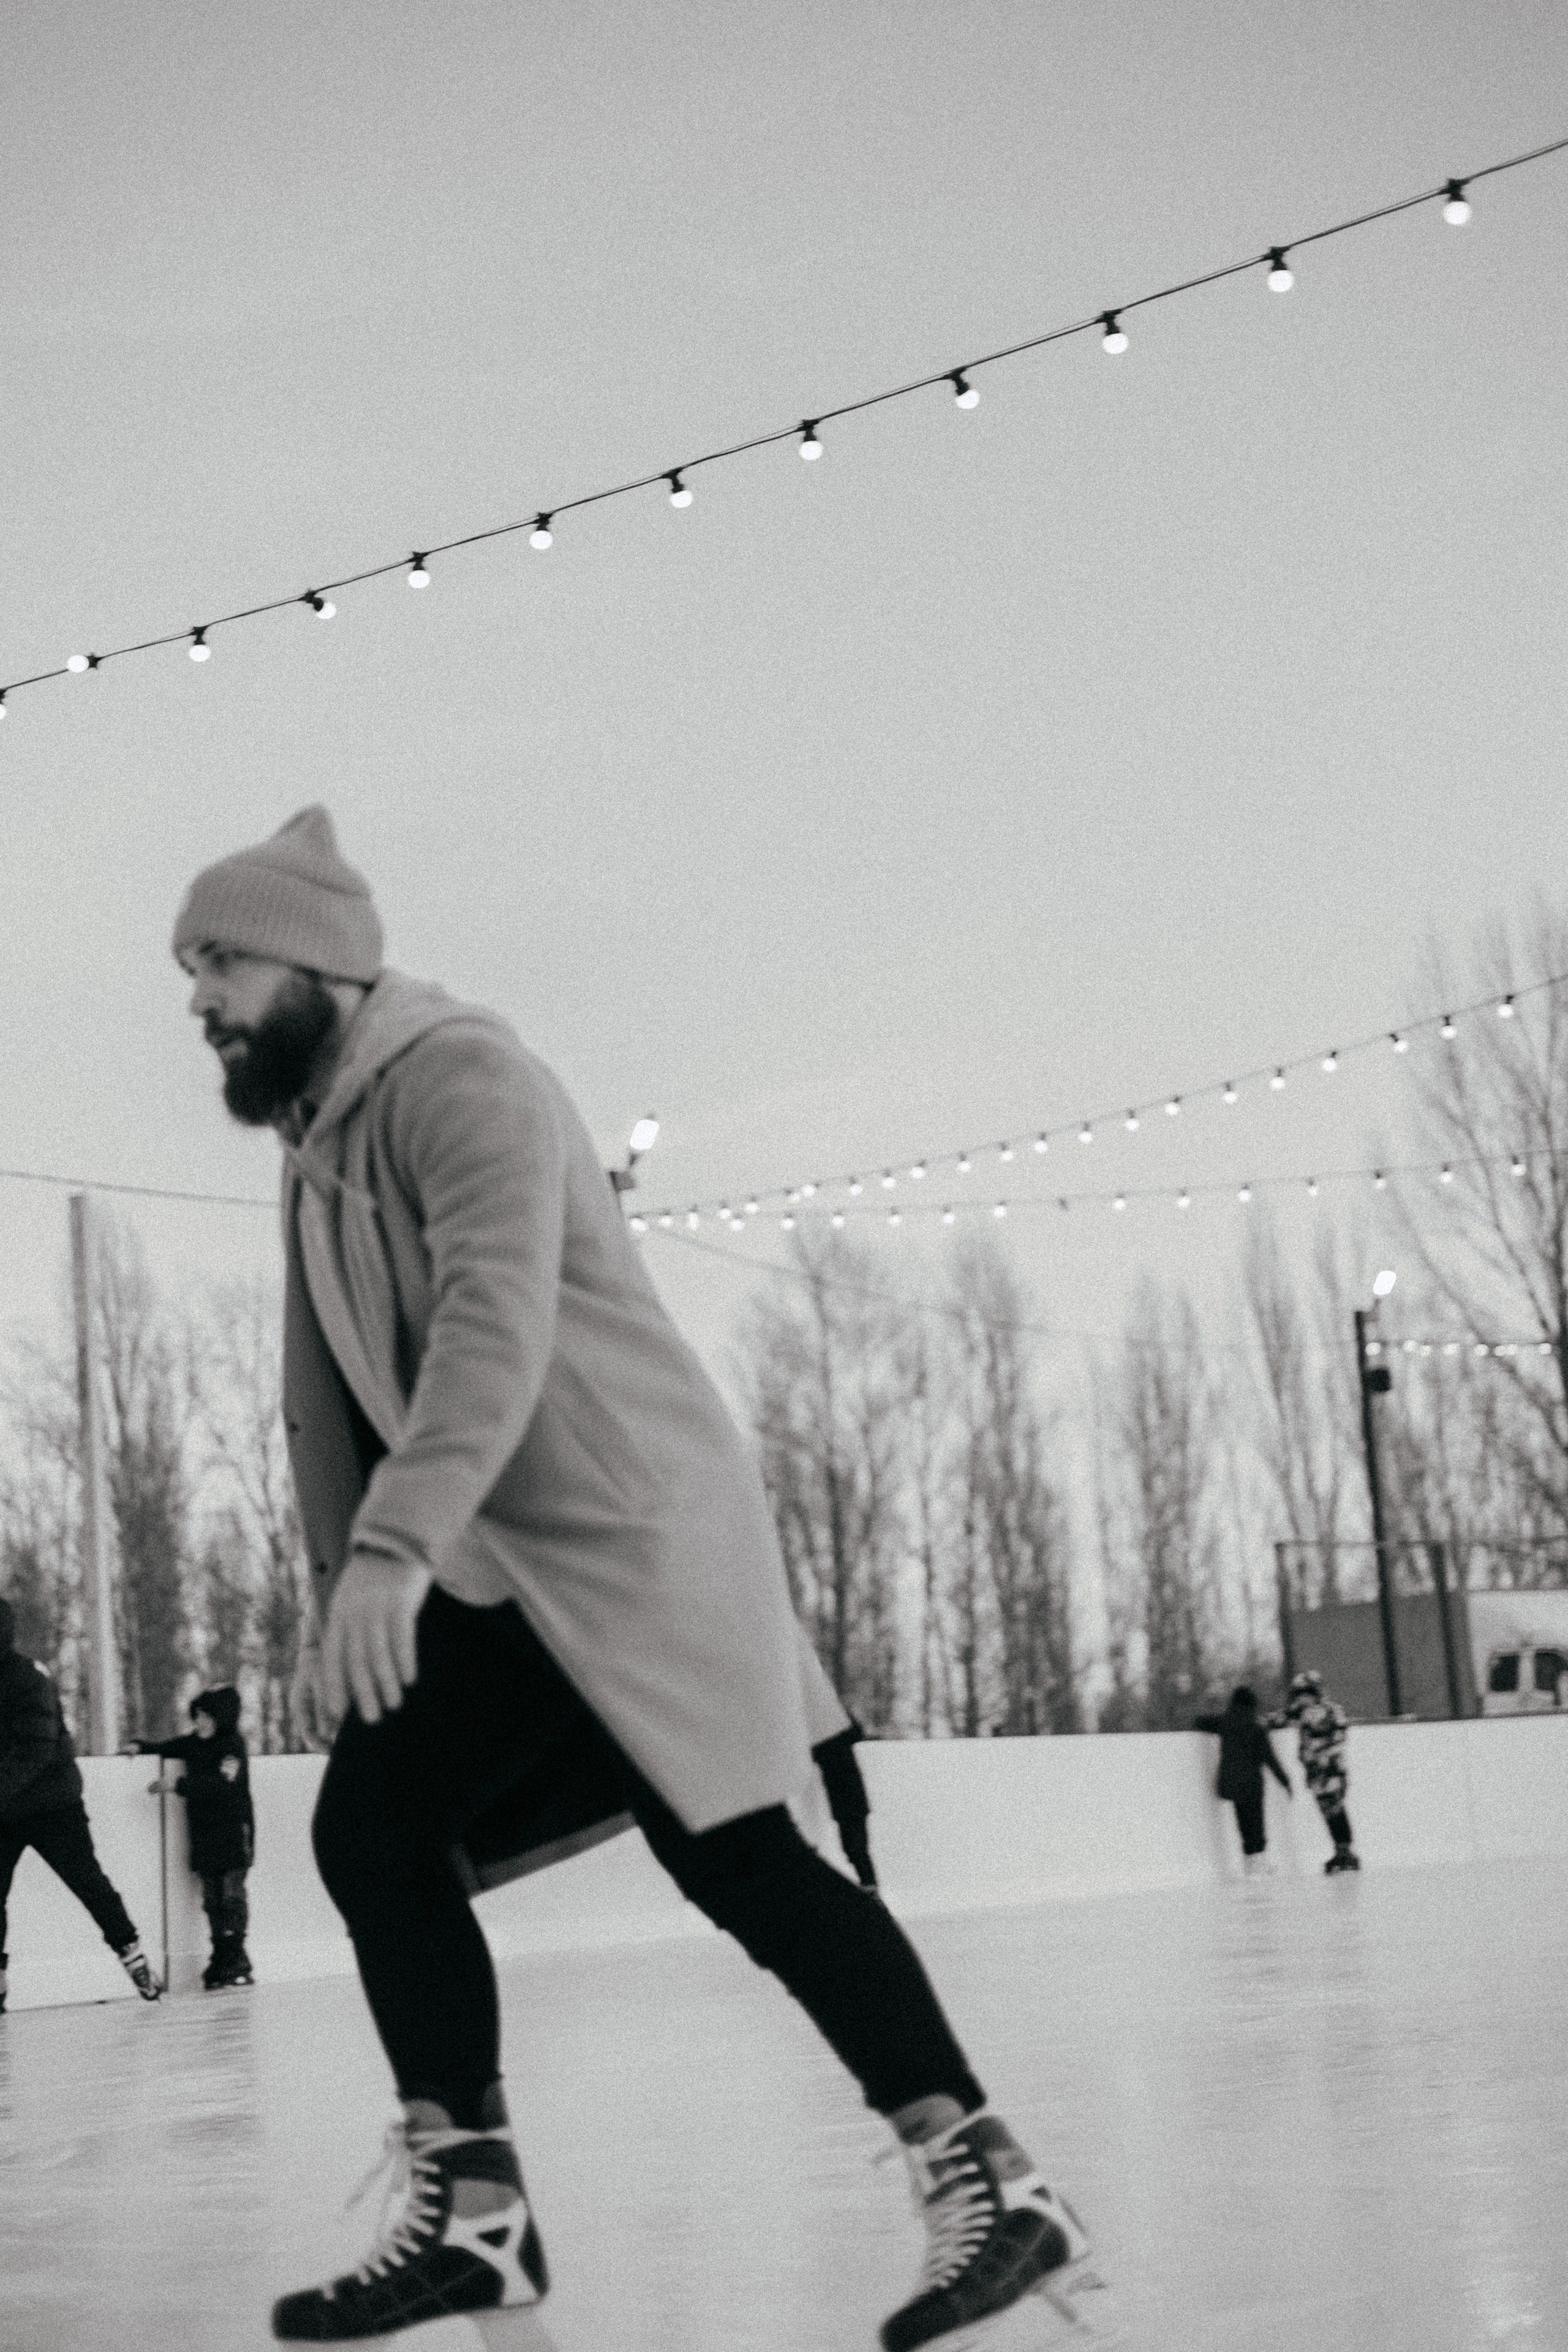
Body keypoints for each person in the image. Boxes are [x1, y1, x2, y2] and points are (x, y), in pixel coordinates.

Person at [172, 806, 1108, 2352]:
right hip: (503, 1566)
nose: (198, 996)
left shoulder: (462, 1079)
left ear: (317, 961)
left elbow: (493, 1322)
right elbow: (320, 1393)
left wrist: (395, 1556)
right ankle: (483, 2209)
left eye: (219, 958)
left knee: (725, 1856)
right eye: (188, 968)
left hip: (625, 1544)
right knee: (401, 1823)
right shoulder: (318, 1141)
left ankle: (984, 2183)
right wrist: (350, 1581)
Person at [0, 1597, 162, 2011]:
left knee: (88, 1882)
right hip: (6, 1810)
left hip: (54, 1805)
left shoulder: (28, 1678)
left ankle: (132, 1953)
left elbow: (36, 1748)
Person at [134, 1686, 257, 1985]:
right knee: (212, 1898)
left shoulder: (232, 1746)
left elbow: (224, 1784)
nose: (200, 1721)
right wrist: (140, 1748)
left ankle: (235, 1956)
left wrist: (178, 1784)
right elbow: (165, 1747)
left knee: (230, 1894)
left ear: (221, 1718)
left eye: (207, 1716)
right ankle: (223, 1955)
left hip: (232, 1831)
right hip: (204, 1834)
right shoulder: (193, 1744)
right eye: (198, 1715)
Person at [1193, 1685, 1292, 1874]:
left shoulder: (1226, 1722)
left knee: (1244, 1826)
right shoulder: (1257, 1727)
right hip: (1252, 1785)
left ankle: (1250, 1866)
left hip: (1233, 1784)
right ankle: (1260, 1865)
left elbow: (1202, 1722)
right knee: (1257, 1826)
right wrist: (1285, 1781)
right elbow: (1269, 1758)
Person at [1272, 1670, 1360, 1875]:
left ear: (1315, 1692)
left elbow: (1339, 1736)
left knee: (1336, 1808)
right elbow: (1280, 1718)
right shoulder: (1300, 1711)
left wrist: (1320, 1750)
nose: (1302, 1698)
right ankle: (1339, 1850)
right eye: (1299, 1694)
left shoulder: (1331, 1710)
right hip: (1315, 1772)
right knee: (1326, 1811)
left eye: (1306, 1693)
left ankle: (1346, 1850)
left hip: (1332, 1770)